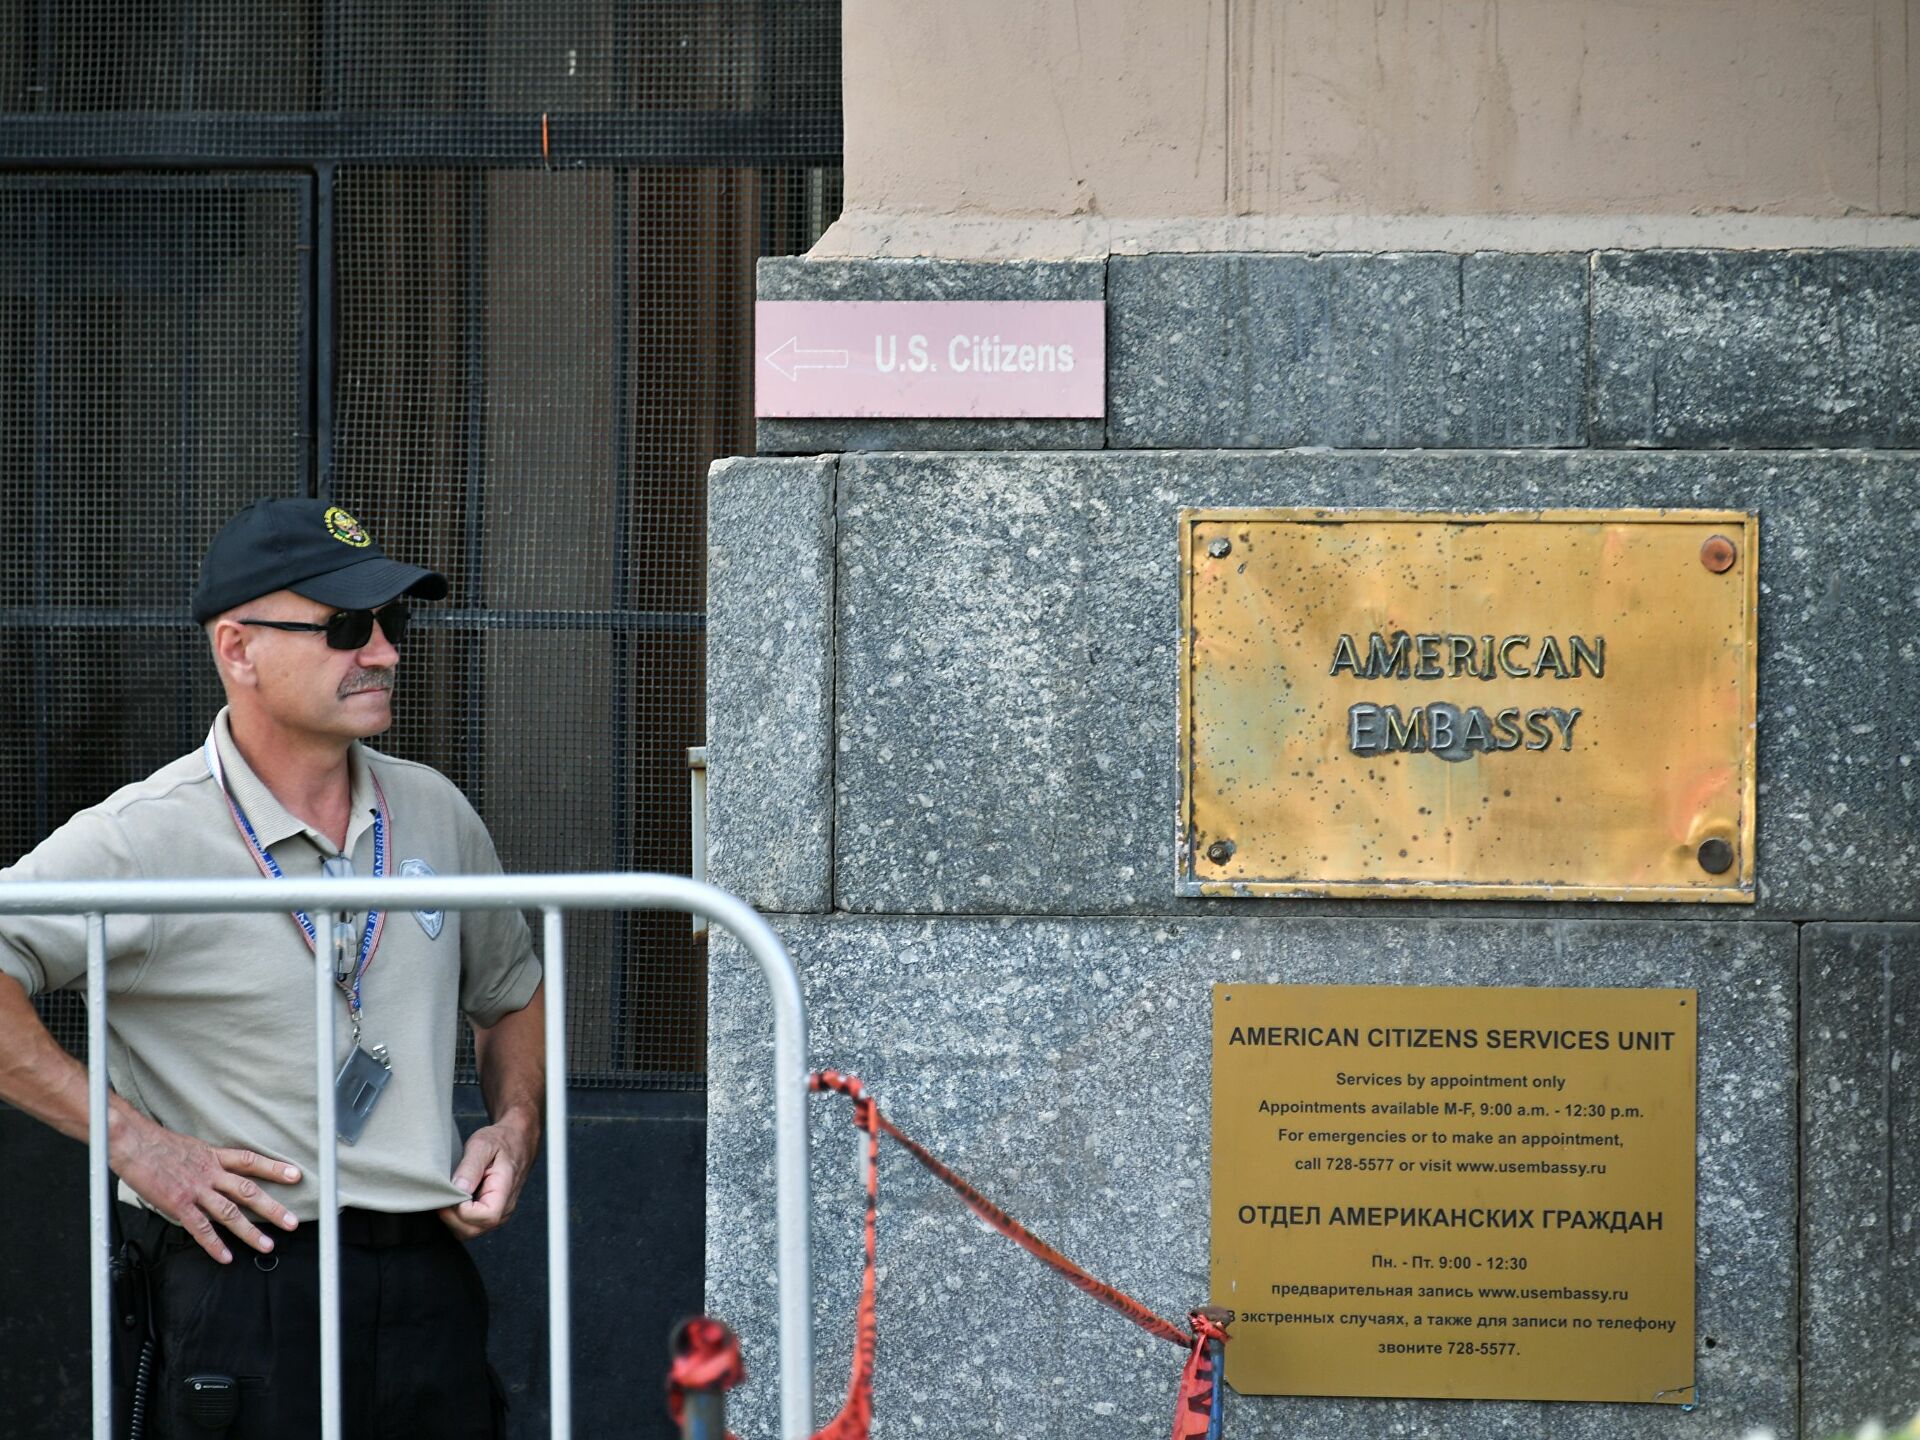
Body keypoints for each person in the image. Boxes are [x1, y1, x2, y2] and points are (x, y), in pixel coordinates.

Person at [0, 498, 545, 1438]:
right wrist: (133, 1142)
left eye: (392, 622)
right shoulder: (144, 834)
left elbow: (510, 997)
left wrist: (515, 1123)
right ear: (238, 649)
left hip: (427, 1284)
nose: (383, 651)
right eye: (343, 627)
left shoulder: (436, 811)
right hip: (244, 1288)